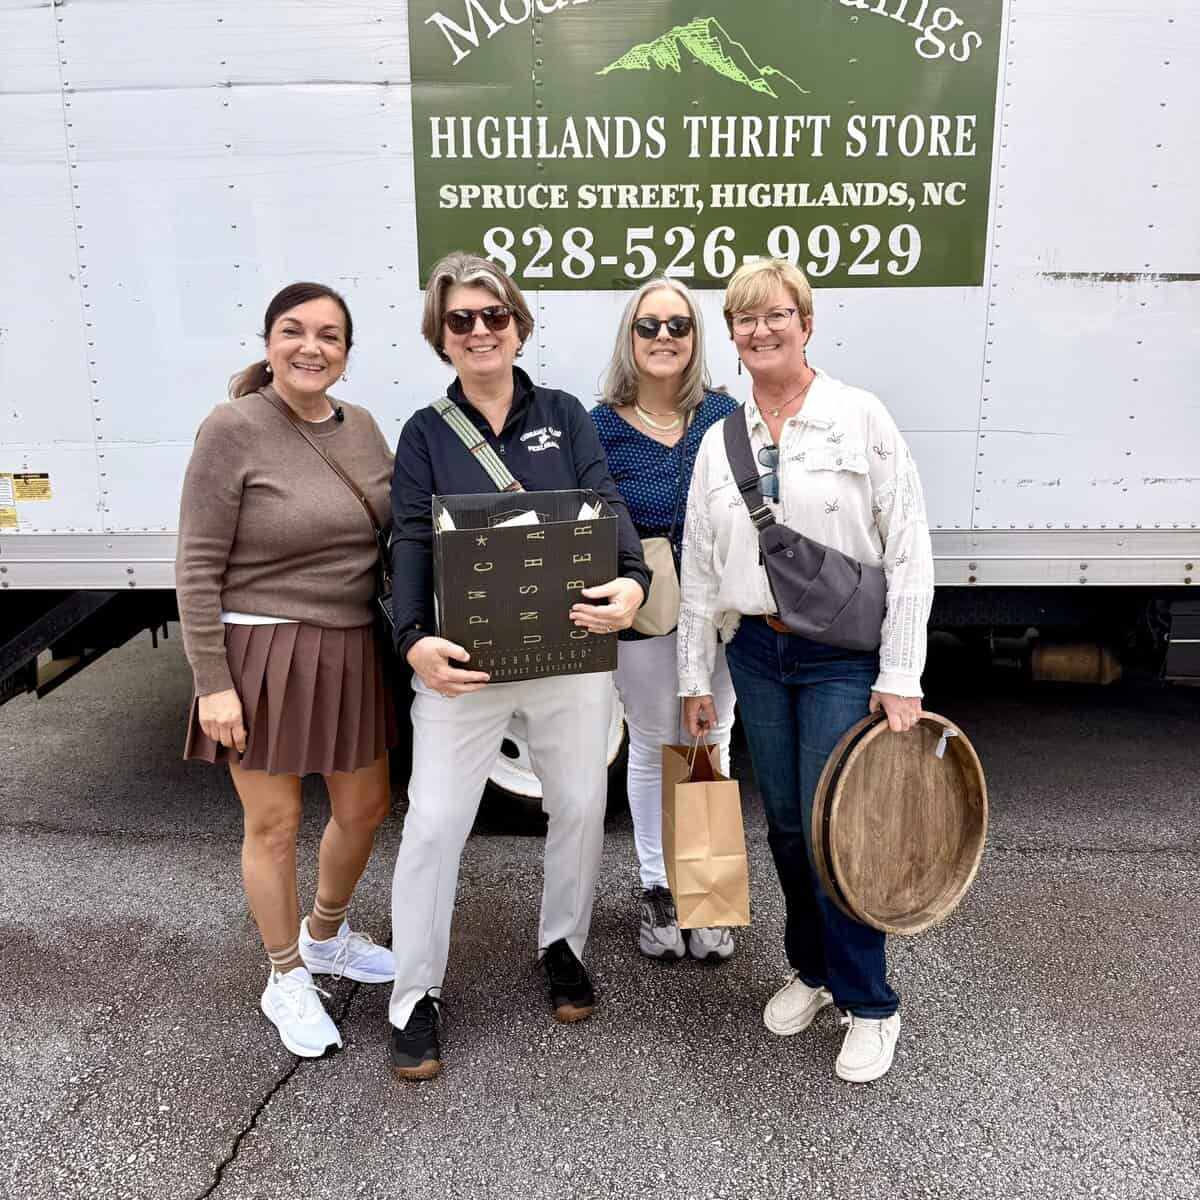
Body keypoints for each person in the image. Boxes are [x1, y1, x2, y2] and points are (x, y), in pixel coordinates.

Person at [386, 252, 649, 1081]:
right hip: (463, 665)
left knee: (578, 806)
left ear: (518, 324)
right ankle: (414, 994)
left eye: (492, 316)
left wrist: (633, 582)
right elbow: (410, 540)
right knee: (432, 823)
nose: (479, 332)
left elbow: (606, 507)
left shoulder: (565, 415)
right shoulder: (426, 431)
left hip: (567, 654)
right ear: (443, 337)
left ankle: (562, 948)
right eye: (460, 320)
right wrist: (411, 641)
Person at [678, 258, 934, 1083]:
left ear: (806, 323)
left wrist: (901, 671)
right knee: (787, 825)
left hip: (839, 659)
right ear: (733, 335)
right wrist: (693, 679)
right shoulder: (722, 437)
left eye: (776, 315)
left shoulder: (859, 416)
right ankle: (814, 971)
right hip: (757, 650)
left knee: (839, 832)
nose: (762, 330)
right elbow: (700, 564)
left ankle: (871, 1003)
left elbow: (908, 547)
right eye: (745, 320)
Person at [177, 282, 397, 1058]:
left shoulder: (363, 427)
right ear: (269, 342)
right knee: (271, 826)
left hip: (349, 645)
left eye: (330, 336)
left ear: (346, 352)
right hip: (260, 649)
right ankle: (283, 975)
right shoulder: (232, 427)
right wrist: (211, 681)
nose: (312, 347)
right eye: (295, 332)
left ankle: (326, 936)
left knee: (367, 806)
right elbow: (198, 565)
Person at [591, 278, 739, 963]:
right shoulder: (602, 427)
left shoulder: (724, 415)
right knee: (654, 743)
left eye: (677, 325)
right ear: (630, 336)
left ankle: (707, 892)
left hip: (717, 608)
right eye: (648, 326)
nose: (663, 338)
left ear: (694, 337)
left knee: (707, 739)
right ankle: (659, 891)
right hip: (646, 609)